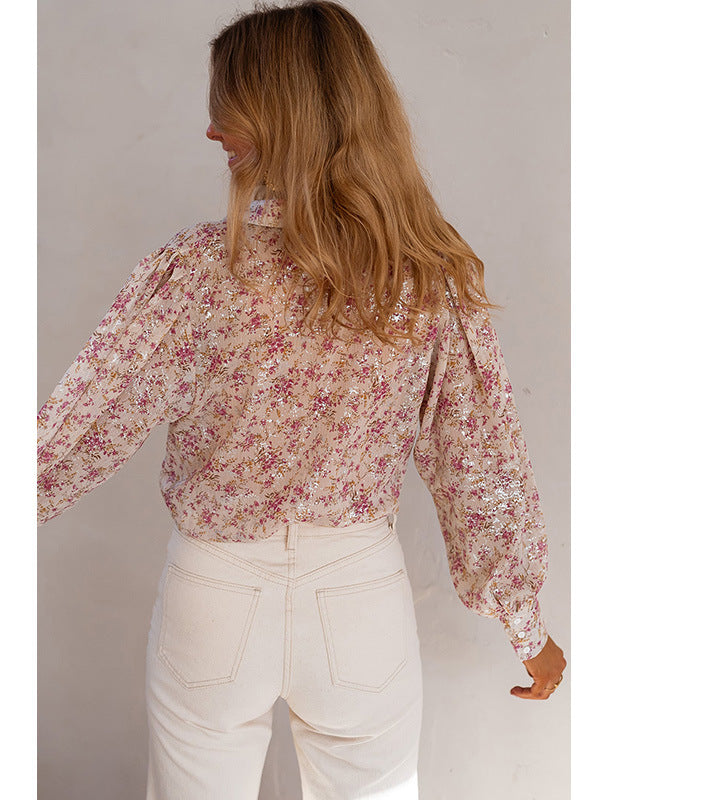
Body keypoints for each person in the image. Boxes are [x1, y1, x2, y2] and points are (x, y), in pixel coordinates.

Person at [37, 1, 566, 797]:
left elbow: (74, 433)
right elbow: (480, 467)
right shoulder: (424, 277)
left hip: (212, 600)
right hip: (359, 599)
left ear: (283, 116)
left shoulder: (194, 271)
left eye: (230, 108)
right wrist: (527, 626)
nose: (211, 130)